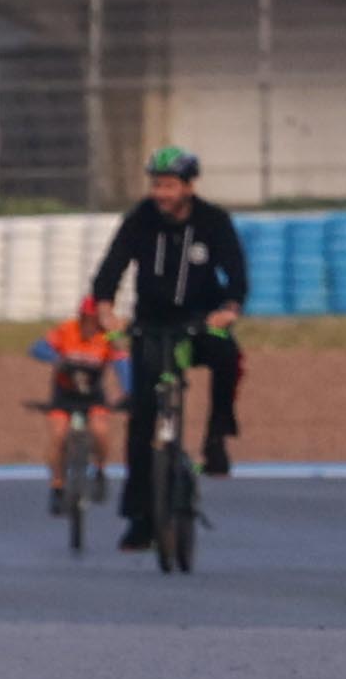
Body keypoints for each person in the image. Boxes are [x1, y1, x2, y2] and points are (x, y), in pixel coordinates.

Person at [91, 144, 247, 549]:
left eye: (169, 186)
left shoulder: (214, 221)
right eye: (157, 185)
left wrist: (229, 308)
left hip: (200, 325)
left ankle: (217, 436)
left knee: (228, 357)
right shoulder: (140, 220)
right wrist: (106, 308)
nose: (161, 193)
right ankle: (141, 517)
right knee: (142, 419)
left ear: (189, 187)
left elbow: (236, 272)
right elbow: (112, 267)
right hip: (152, 327)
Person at [27, 297, 128, 511]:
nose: (91, 324)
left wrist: (129, 392)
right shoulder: (67, 330)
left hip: (93, 395)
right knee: (58, 434)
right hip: (64, 395)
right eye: (88, 319)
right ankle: (57, 486)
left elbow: (122, 364)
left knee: (100, 430)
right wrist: (57, 358)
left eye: (95, 320)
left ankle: (99, 469)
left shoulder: (107, 337)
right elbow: (37, 348)